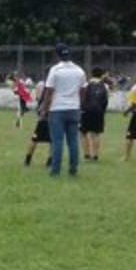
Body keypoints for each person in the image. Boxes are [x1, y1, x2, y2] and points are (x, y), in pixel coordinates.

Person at [39, 44, 86, 177]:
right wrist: (79, 105)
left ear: (57, 55)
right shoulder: (79, 70)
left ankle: (55, 170)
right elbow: (83, 90)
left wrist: (44, 109)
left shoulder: (55, 70)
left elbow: (49, 92)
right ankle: (73, 169)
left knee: (57, 141)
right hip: (74, 108)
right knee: (73, 141)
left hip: (57, 108)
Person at [79, 67, 109, 162]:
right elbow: (105, 101)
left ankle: (86, 154)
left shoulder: (86, 84)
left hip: (86, 112)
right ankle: (95, 155)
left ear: (91, 74)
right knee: (96, 134)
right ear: (101, 75)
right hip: (99, 112)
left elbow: (82, 98)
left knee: (83, 133)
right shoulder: (104, 86)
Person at [25, 78, 52, 167]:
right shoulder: (55, 86)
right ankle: (50, 161)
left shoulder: (40, 85)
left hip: (42, 117)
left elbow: (37, 98)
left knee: (34, 139)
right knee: (53, 140)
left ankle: (27, 160)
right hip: (51, 116)